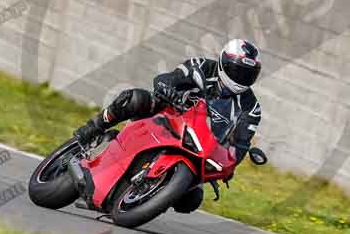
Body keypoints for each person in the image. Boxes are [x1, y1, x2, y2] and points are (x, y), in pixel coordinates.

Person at [73, 40, 263, 185]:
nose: (240, 78)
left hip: (201, 146)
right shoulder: (203, 67)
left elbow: (240, 144)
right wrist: (167, 88)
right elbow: (169, 78)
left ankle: (147, 193)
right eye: (237, 71)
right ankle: (91, 130)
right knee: (134, 99)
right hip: (169, 116)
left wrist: (228, 166)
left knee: (191, 200)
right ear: (224, 63)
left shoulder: (251, 107)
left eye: (247, 75)